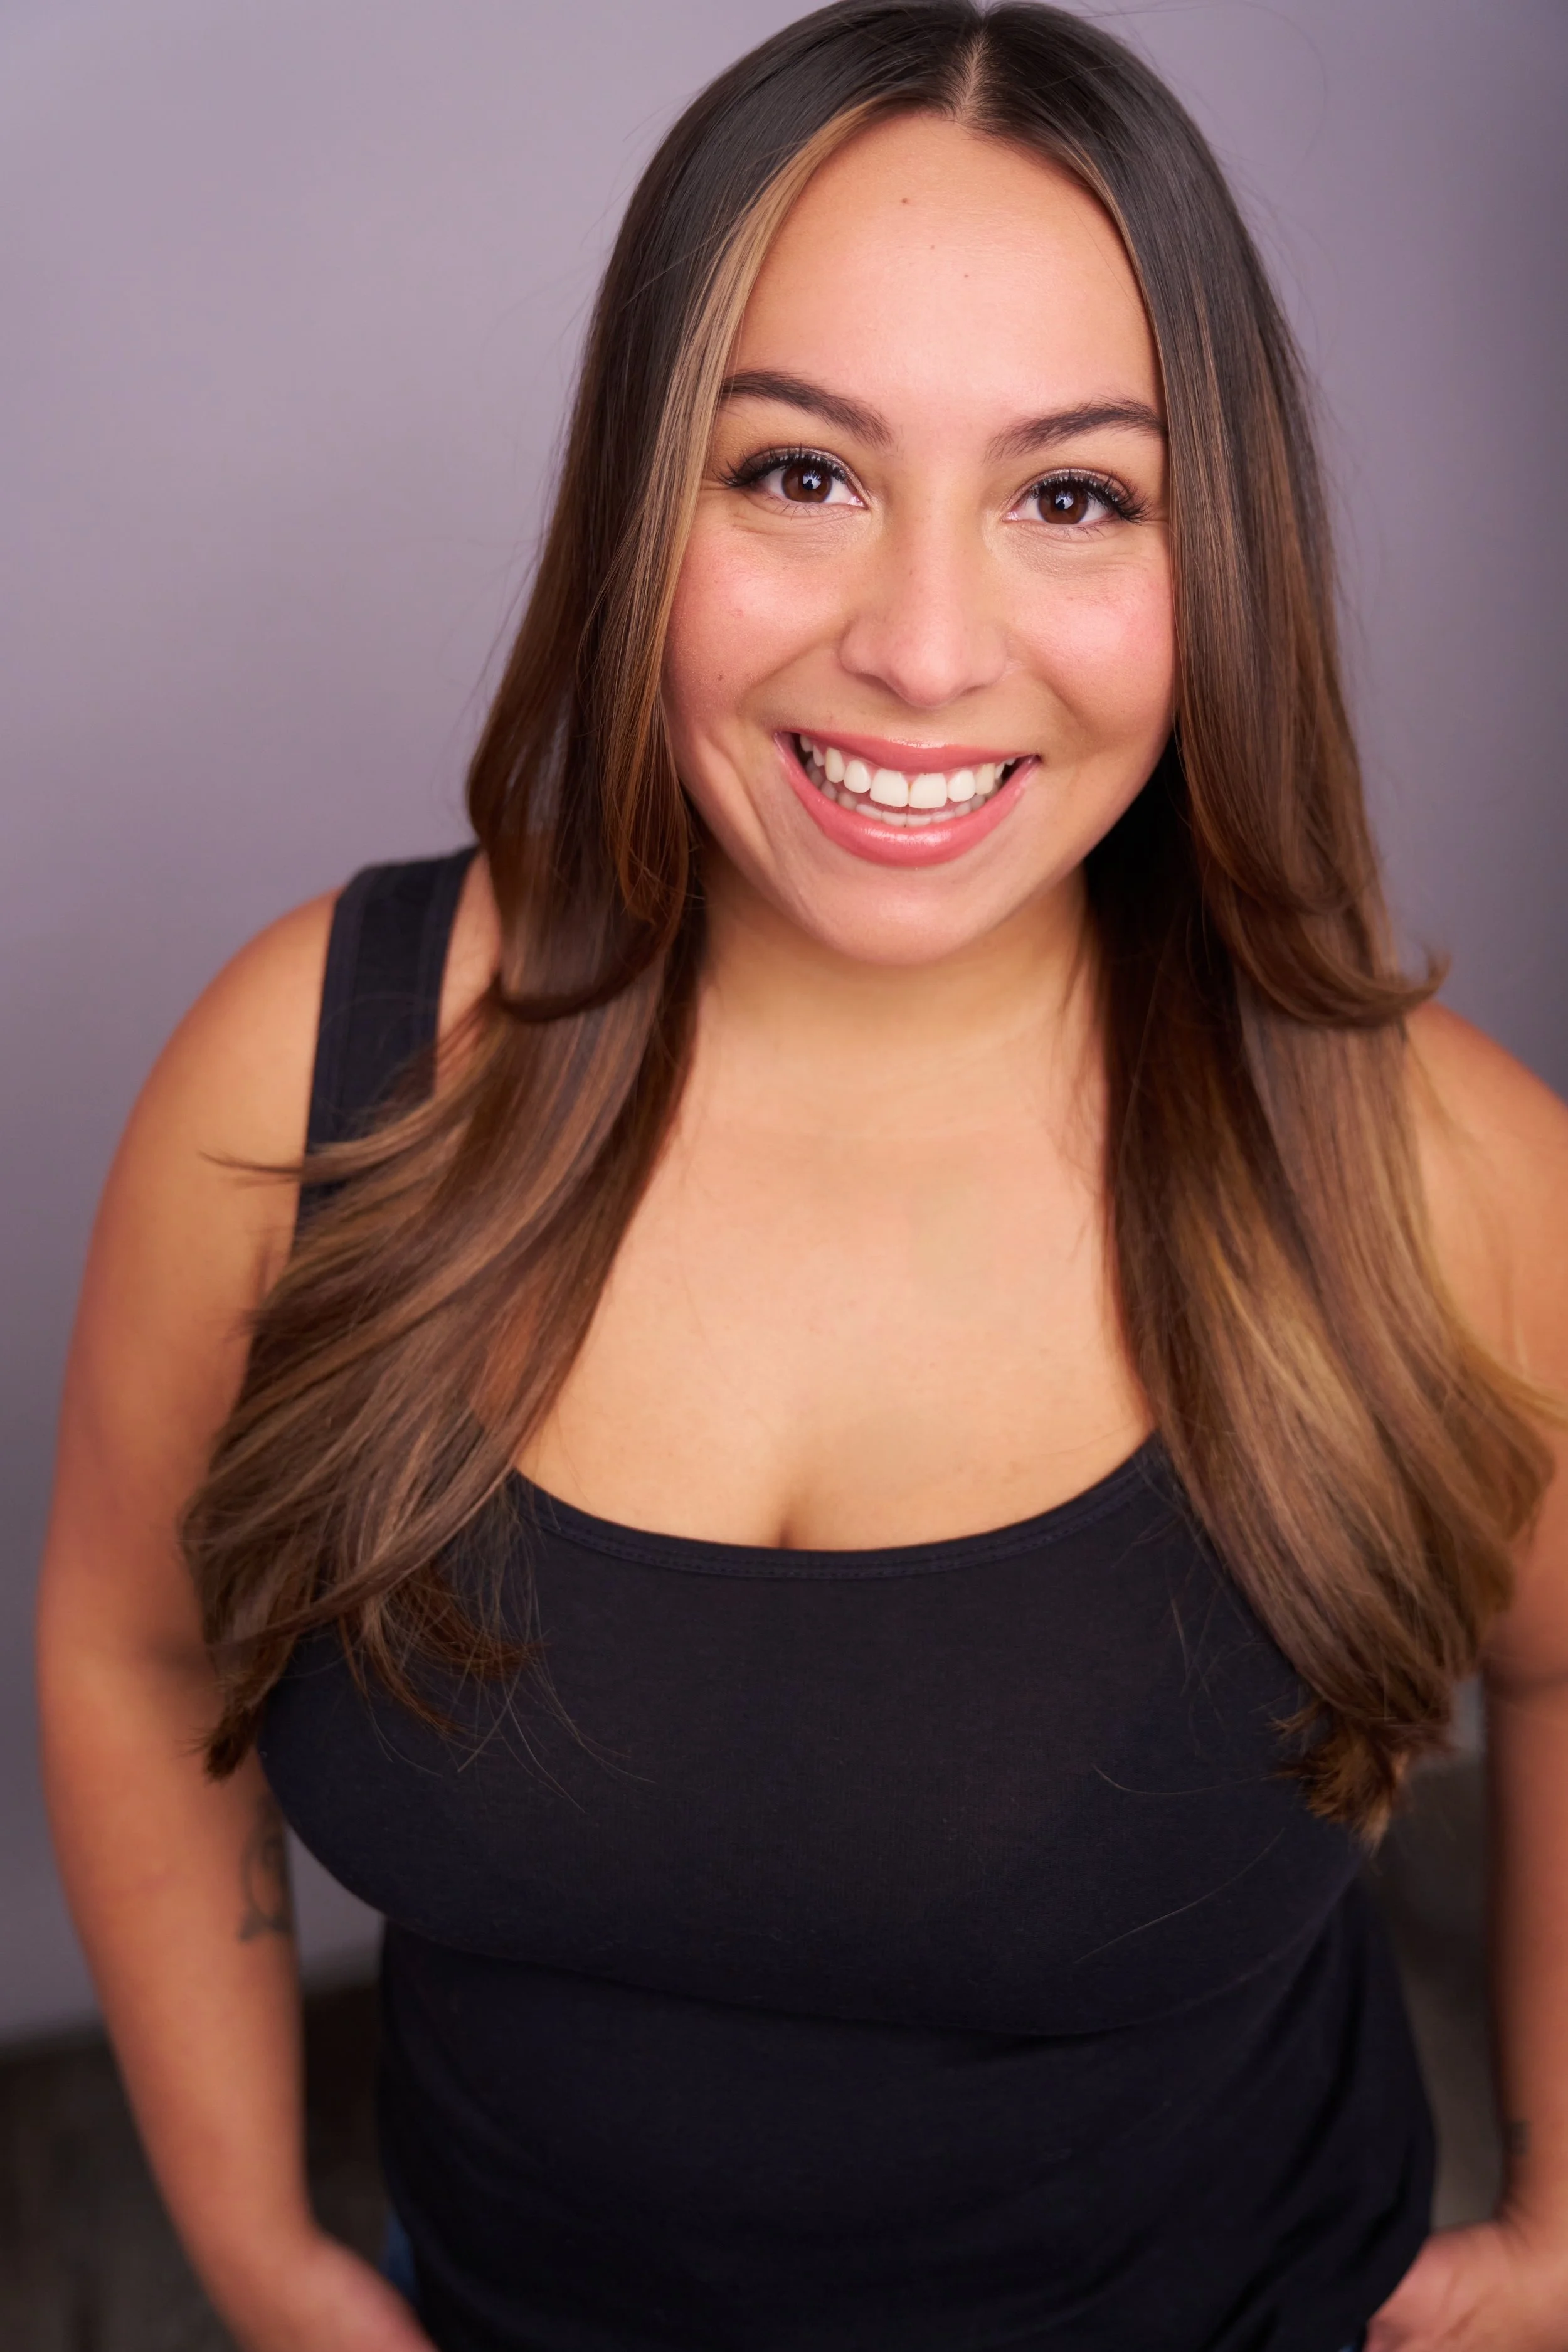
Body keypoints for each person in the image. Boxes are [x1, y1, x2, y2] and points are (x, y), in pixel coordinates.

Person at [34, 4, 1568, 2348]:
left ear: (1216, 550)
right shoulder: (312, 1077)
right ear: (642, 496)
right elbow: (132, 1649)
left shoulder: (1438, 1176)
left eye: (1073, 495)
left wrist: (1564, 2205)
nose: (921, 651)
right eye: (797, 474)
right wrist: (261, 2252)